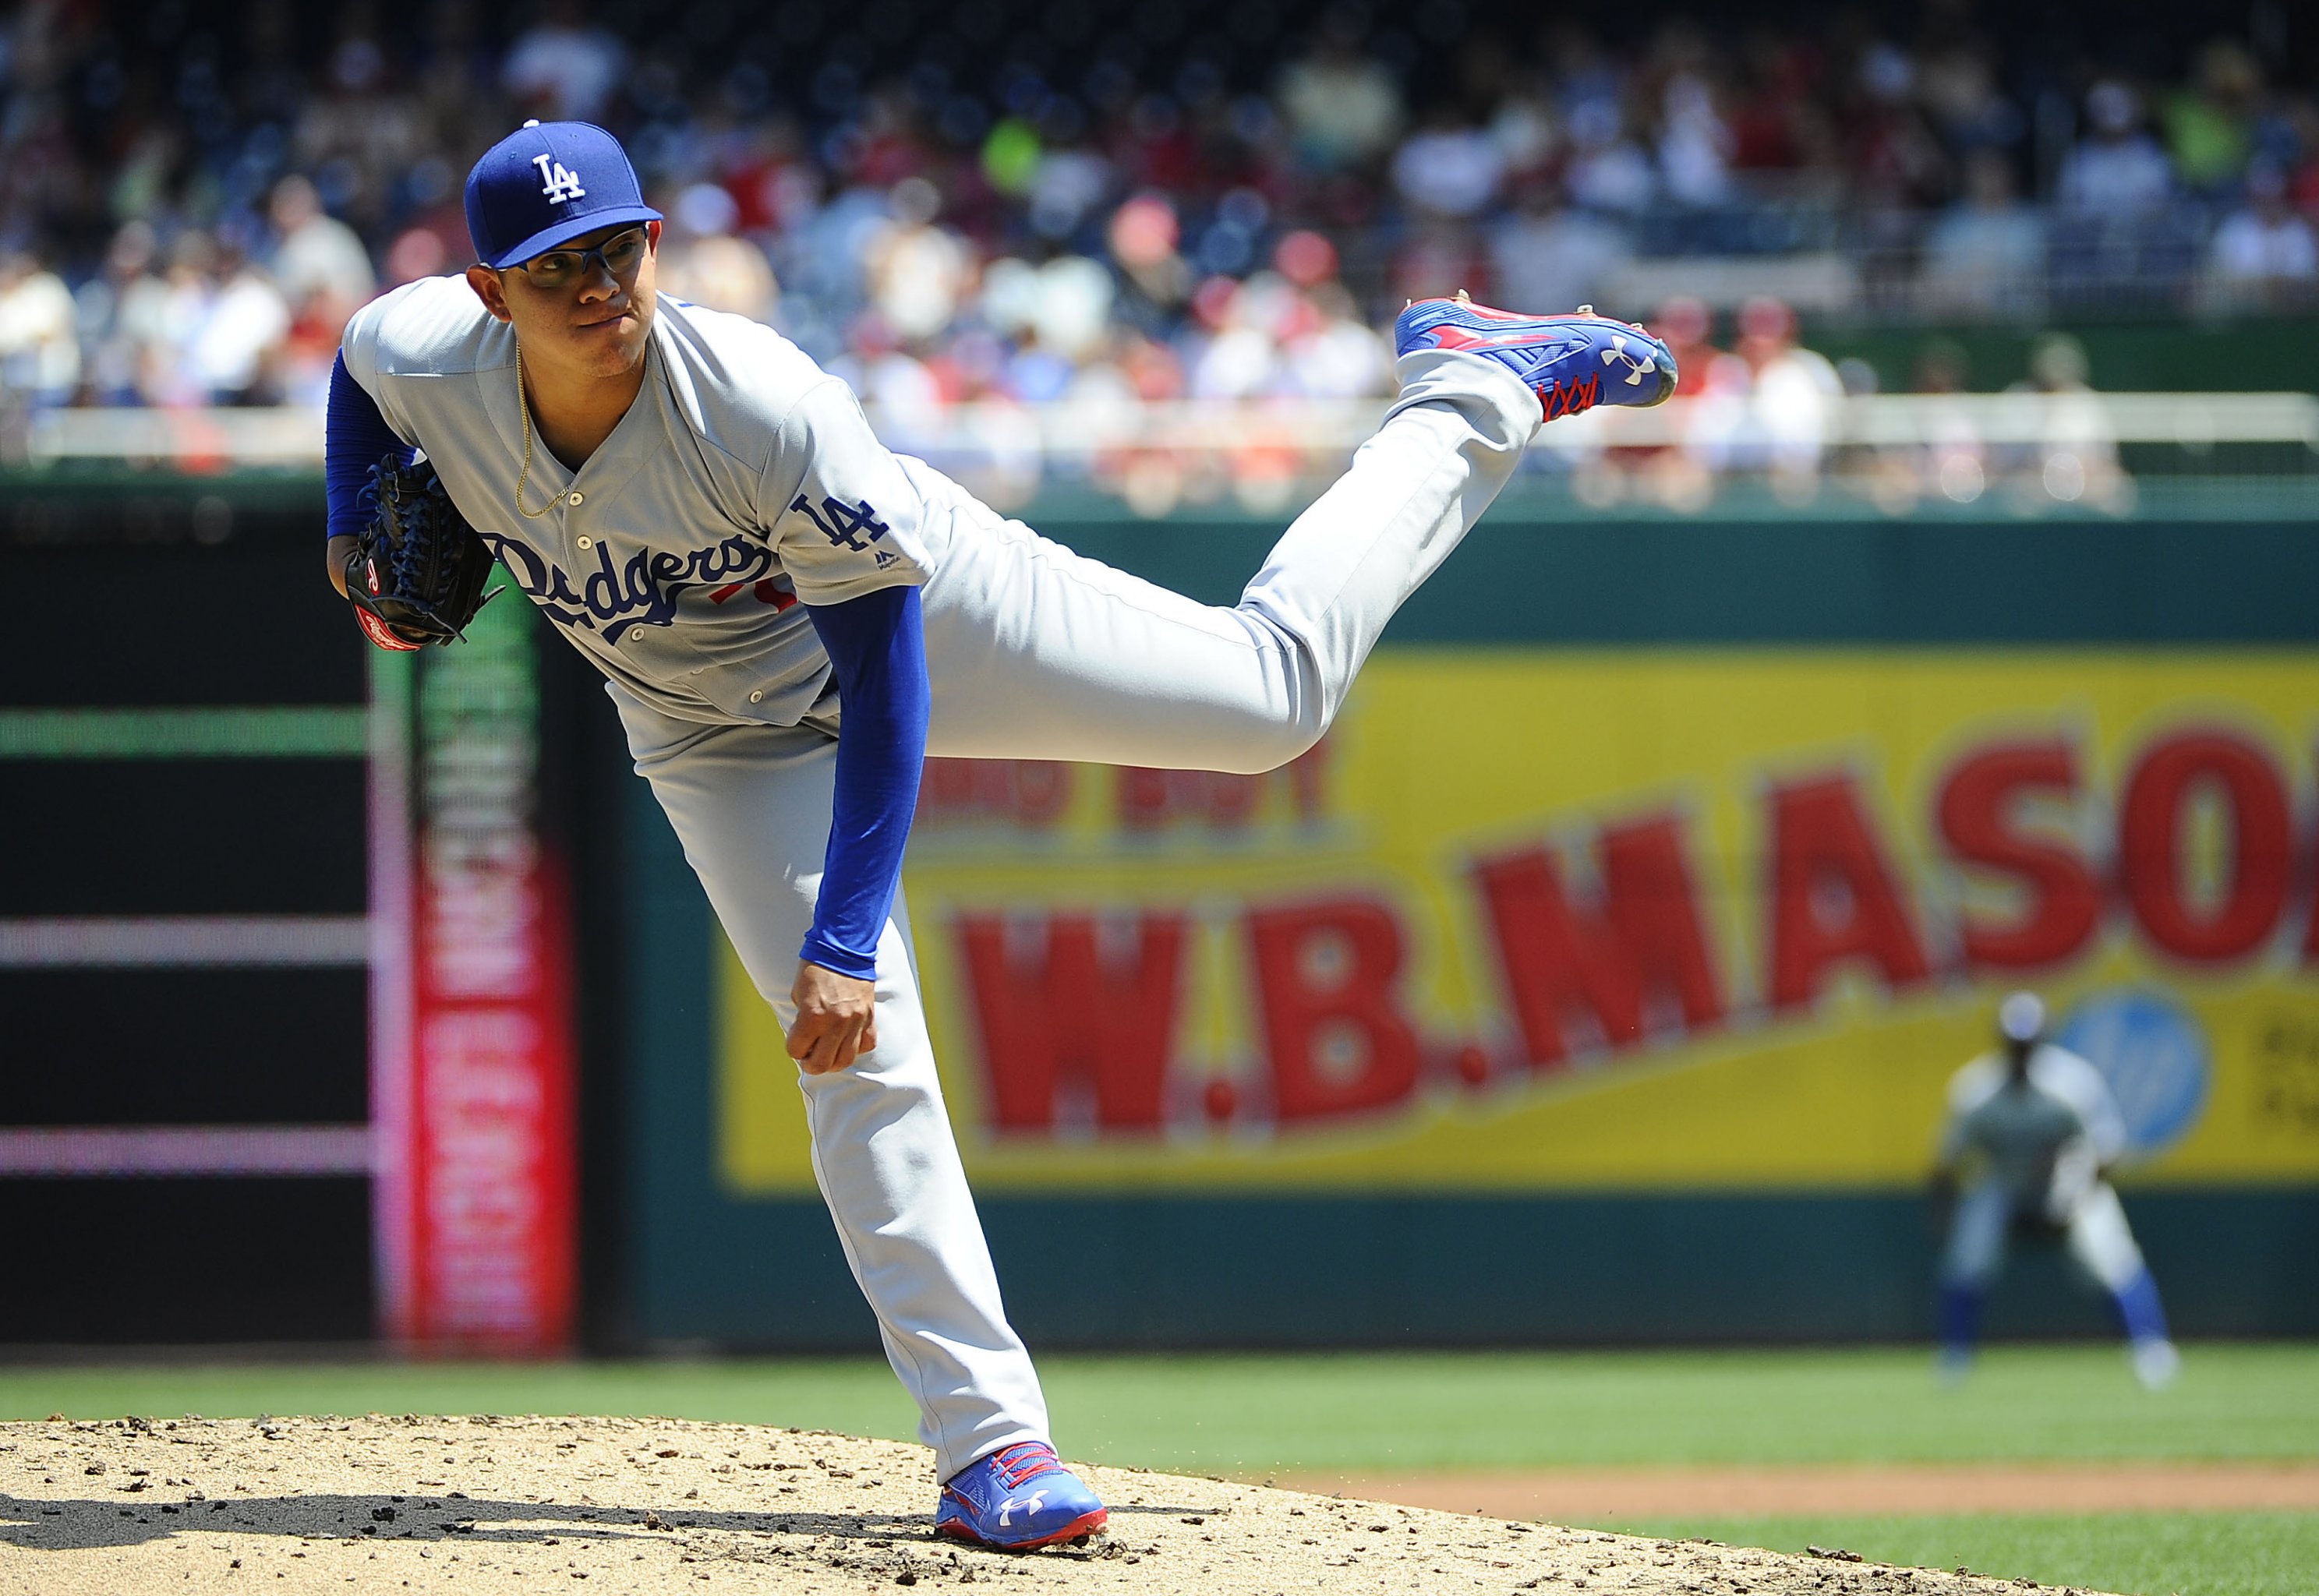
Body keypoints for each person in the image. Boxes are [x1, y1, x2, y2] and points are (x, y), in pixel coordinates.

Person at [324, 120, 1674, 1548]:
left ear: (653, 243)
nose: (597, 287)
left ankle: (1472, 382)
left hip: (929, 613)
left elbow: (886, 684)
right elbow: (356, 358)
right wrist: (354, 516)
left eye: (616, 250)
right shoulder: (424, 352)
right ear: (491, 295)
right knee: (860, 1052)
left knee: (1270, 697)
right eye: (555, 271)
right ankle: (993, 1448)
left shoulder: (762, 403)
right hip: (707, 731)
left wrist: (846, 933)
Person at [1929, 992, 2179, 1389]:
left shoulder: (2072, 1083)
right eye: (2015, 1045)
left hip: (2068, 1177)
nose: (2022, 1053)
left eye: (2028, 1044)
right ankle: (1955, 1357)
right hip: (2003, 1181)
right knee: (1969, 1253)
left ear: (2043, 1040)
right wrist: (1943, 1221)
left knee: (2108, 1253)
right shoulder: (1975, 1089)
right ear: (2002, 1043)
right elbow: (1946, 1164)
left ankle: (2152, 1351)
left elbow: (2106, 1153)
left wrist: (2073, 1202)